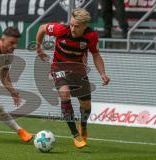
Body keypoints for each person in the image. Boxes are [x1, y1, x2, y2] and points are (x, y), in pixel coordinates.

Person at [36, 8, 110, 148]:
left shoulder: (91, 36)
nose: (73, 28)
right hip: (59, 68)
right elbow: (41, 28)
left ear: (85, 26)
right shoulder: (60, 30)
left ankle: (83, 126)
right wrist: (38, 47)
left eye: (76, 26)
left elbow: (96, 55)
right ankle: (75, 135)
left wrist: (102, 74)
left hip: (78, 72)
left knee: (86, 105)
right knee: (64, 93)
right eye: (71, 24)